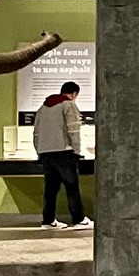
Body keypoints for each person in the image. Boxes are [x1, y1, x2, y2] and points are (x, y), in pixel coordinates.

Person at [33, 81, 91, 230]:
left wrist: (39, 151)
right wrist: (77, 151)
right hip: (64, 152)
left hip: (46, 153)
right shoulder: (68, 105)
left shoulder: (43, 107)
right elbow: (73, 130)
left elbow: (36, 132)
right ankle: (78, 219)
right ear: (74, 94)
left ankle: (48, 220)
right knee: (72, 187)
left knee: (50, 189)